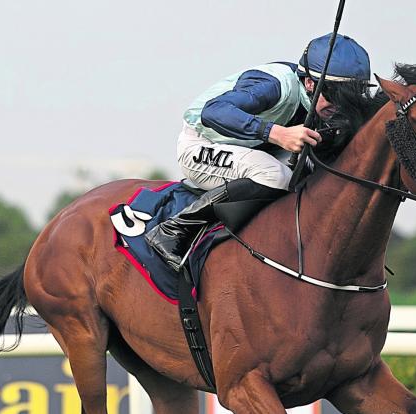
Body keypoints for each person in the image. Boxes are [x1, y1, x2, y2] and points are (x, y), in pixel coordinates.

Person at [146, 33, 373, 272]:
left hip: (254, 148)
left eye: (349, 97)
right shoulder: (274, 85)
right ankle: (175, 229)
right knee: (277, 176)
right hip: (201, 145)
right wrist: (277, 133)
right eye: (334, 94)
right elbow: (213, 111)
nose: (339, 105)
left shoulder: (321, 103)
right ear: (309, 83)